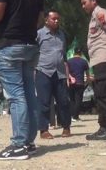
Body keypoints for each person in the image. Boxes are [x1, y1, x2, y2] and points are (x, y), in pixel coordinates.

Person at [0, 0, 44, 160]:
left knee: (15, 95)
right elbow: (39, 20)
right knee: (30, 93)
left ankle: (19, 144)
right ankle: (29, 141)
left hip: (10, 45)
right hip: (30, 45)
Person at [81, 0, 106, 140]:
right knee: (100, 94)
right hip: (98, 60)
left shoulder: (101, 13)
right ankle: (104, 126)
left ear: (93, 0)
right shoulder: (93, 17)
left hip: (105, 58)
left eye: (84, 2)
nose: (83, 6)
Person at [35, 10, 72, 139]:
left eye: (58, 19)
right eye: (54, 19)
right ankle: (44, 130)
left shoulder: (62, 35)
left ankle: (66, 127)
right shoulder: (39, 34)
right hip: (44, 72)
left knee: (63, 102)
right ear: (46, 20)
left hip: (60, 73)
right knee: (44, 102)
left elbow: (64, 55)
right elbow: (33, 52)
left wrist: (68, 74)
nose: (56, 21)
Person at [67, 47, 90, 122]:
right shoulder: (84, 61)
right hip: (80, 82)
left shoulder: (69, 61)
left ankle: (71, 115)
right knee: (78, 100)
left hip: (71, 82)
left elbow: (66, 72)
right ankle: (75, 116)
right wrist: (88, 81)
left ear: (74, 52)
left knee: (72, 100)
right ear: (81, 53)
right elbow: (87, 74)